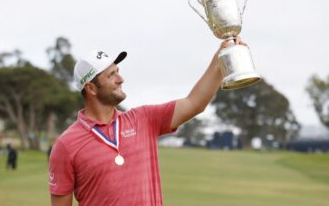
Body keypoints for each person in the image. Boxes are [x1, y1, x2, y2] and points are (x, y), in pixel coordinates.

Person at [49, 38, 247, 206]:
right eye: (111, 75)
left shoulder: (143, 119)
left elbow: (194, 103)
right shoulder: (66, 146)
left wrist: (220, 60)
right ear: (91, 88)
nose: (121, 78)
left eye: (118, 71)